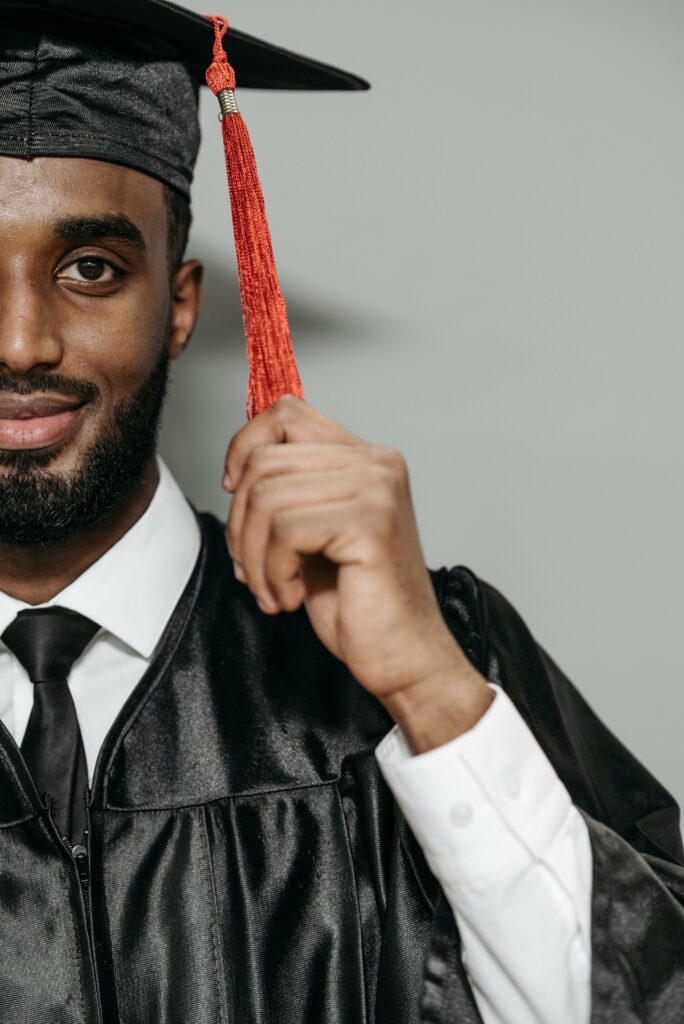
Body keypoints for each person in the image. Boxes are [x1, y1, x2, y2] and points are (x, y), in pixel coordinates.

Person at [0, 3, 682, 1023]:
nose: (20, 342)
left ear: (180, 305)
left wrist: (429, 688)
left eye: (89, 269)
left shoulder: (426, 661)